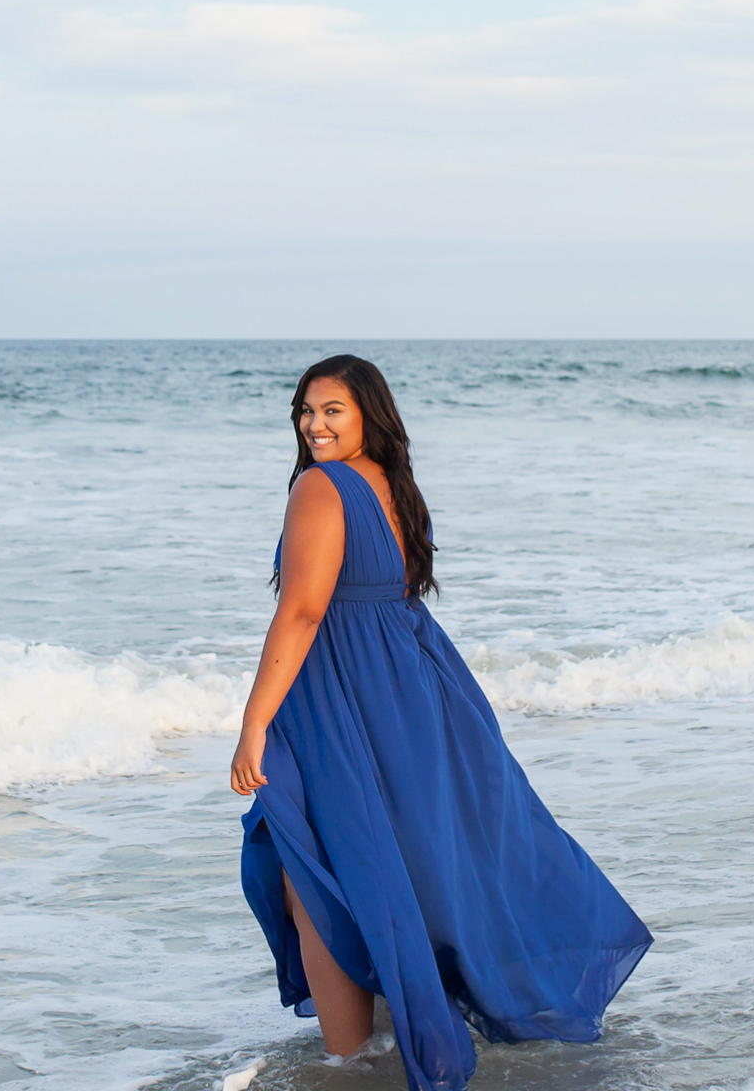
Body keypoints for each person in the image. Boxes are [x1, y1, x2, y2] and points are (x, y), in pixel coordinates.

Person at [231, 354, 652, 1091]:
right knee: (397, 859)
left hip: (342, 695)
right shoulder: (390, 484)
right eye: (305, 410)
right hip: (411, 682)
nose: (314, 424)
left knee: (311, 867)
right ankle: (394, 1025)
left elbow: (301, 612)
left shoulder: (318, 487)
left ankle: (347, 1059)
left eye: (332, 410)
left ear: (368, 414)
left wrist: (253, 724)